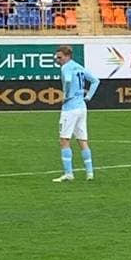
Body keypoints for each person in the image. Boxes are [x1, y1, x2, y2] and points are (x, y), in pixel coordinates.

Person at [53, 45, 100, 182]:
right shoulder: (79, 67)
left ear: (67, 56)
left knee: (64, 140)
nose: (58, 60)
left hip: (70, 108)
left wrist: (66, 94)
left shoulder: (66, 67)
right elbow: (95, 81)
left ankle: (69, 174)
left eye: (60, 57)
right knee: (82, 140)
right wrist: (88, 96)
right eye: (57, 57)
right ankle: (90, 173)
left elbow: (67, 80)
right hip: (82, 107)